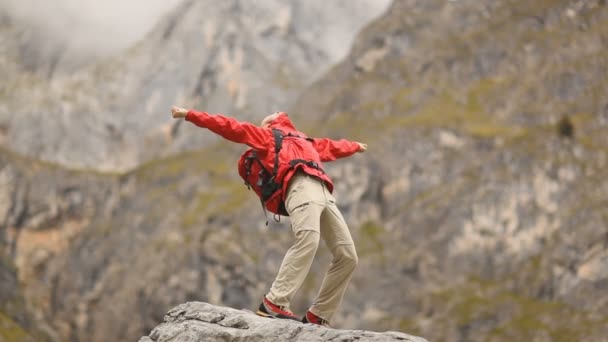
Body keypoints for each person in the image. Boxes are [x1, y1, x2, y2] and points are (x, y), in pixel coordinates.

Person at [171, 106, 367, 326]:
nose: (277, 111)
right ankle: (274, 302)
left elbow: (332, 147)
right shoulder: (266, 136)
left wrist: (354, 146)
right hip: (299, 186)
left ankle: (318, 315)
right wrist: (189, 114)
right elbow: (228, 126)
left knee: (348, 256)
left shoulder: (305, 140)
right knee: (308, 239)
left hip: (324, 191)